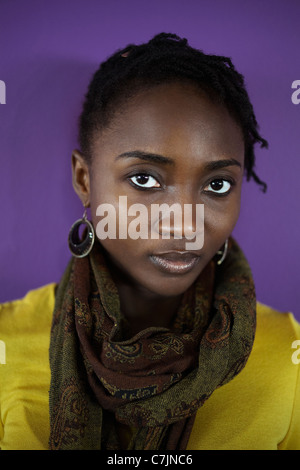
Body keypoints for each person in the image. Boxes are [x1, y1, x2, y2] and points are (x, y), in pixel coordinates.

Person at [0, 33, 299, 451]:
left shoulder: (288, 356)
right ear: (85, 180)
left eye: (217, 184)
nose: (183, 224)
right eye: (145, 179)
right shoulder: (7, 342)